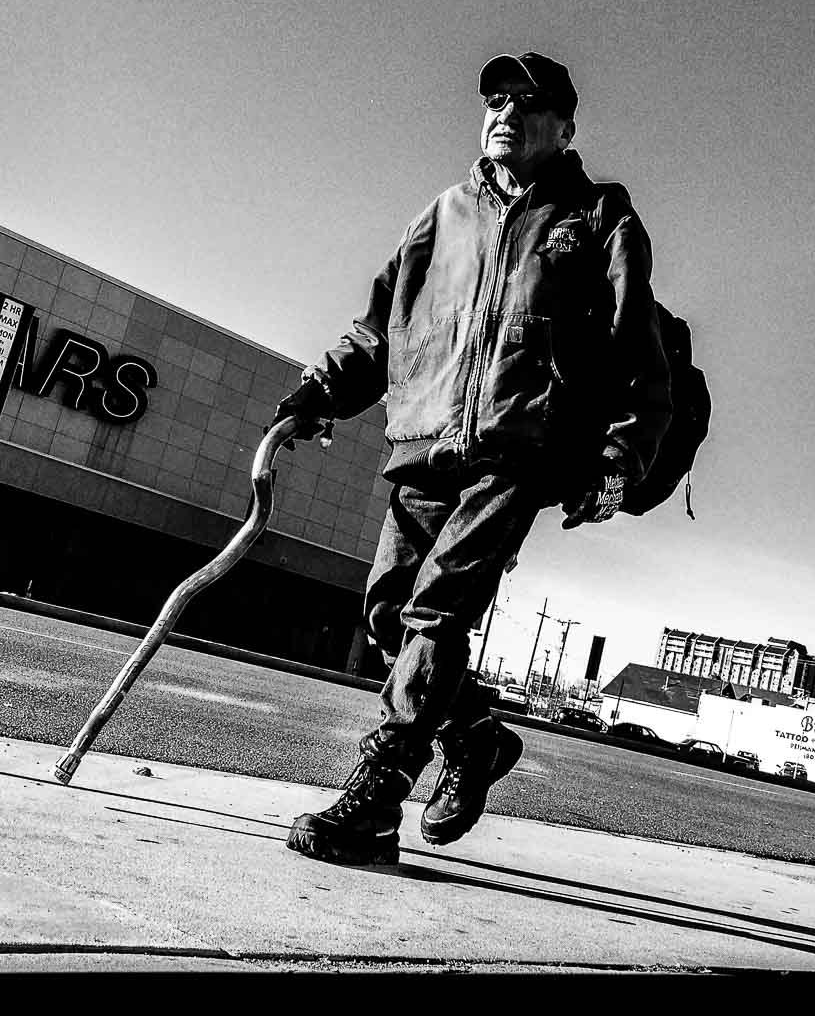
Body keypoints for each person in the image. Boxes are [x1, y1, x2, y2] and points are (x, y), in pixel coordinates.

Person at [273, 51, 672, 866]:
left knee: (437, 613)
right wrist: (317, 392)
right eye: (495, 98)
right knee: (387, 614)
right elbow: (381, 327)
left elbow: (639, 355)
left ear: (565, 127)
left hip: (518, 448)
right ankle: (478, 739)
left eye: (528, 102)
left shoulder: (598, 218)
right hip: (422, 443)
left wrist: (619, 459)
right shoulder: (443, 214)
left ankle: (379, 795)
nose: (505, 112)